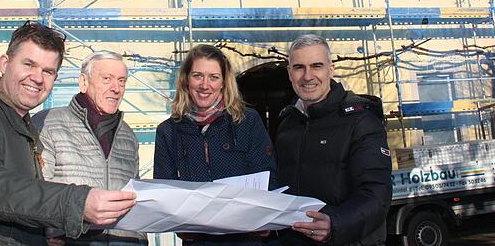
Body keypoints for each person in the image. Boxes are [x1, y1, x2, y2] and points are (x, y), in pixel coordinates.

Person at [0, 21, 136, 245]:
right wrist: (77, 203)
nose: (38, 78)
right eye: (29, 64)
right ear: (5, 63)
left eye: (48, 71)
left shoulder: (21, 122)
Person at [153, 44, 277, 246]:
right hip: (198, 241)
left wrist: (266, 218)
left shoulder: (247, 121)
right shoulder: (168, 131)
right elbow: (164, 190)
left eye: (213, 77)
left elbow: (268, 175)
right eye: (197, 76)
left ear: (223, 82)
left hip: (245, 239)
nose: (205, 85)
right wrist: (177, 224)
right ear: (186, 79)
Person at [276, 34, 392, 246]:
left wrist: (335, 224)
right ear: (289, 73)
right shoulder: (287, 124)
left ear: (331, 69)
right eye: (299, 67)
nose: (308, 76)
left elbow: (377, 195)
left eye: (316, 66)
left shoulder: (361, 121)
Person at [34, 51, 147, 246]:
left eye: (122, 81)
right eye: (107, 79)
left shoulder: (128, 135)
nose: (116, 88)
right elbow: (38, 191)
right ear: (83, 82)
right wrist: (50, 232)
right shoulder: (48, 123)